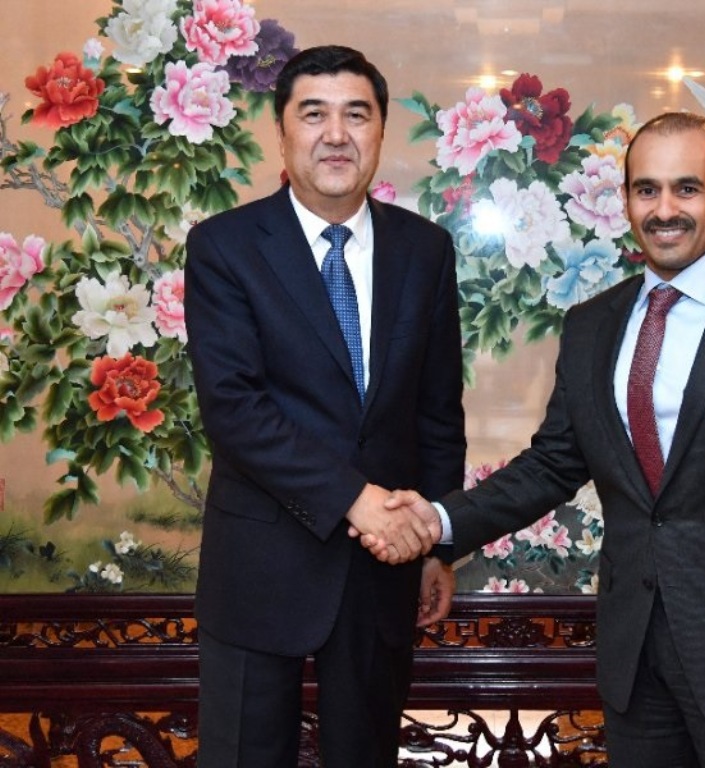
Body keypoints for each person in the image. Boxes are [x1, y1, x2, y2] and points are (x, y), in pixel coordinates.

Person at [370, 111, 705, 767]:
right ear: (625, 200)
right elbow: (553, 465)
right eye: (646, 190)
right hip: (633, 660)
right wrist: (437, 521)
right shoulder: (593, 325)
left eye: (686, 188)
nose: (664, 209)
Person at [183, 45, 465, 768]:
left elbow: (436, 409)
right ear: (282, 131)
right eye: (314, 114)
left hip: (384, 574)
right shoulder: (225, 247)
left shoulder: (425, 250)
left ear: (379, 132)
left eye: (356, 115)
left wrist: (436, 541)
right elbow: (235, 410)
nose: (336, 134)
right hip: (260, 570)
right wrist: (356, 500)